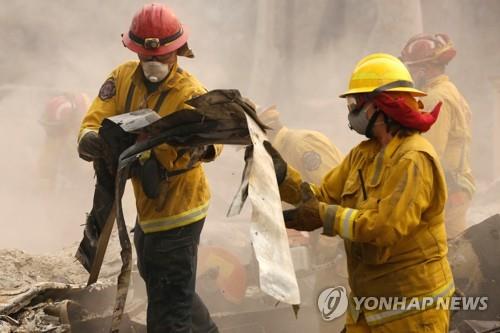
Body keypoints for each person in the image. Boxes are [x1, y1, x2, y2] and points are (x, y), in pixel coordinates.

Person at [264, 53, 454, 332]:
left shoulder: (413, 159)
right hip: (368, 308)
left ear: (381, 106)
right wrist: (282, 177)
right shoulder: (362, 155)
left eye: (355, 103)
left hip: (412, 313)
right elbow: (323, 197)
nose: (350, 111)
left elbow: (385, 227)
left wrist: (324, 216)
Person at [77, 4, 220, 332]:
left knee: (167, 313)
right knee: (165, 283)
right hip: (149, 210)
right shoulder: (121, 77)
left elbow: (214, 142)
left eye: (162, 57)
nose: (153, 64)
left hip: (180, 210)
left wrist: (188, 146)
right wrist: (89, 138)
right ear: (135, 50)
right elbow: (96, 116)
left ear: (178, 52)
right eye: (146, 56)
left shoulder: (191, 94)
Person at [259, 105, 346, 332]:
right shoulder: (276, 154)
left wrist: (330, 239)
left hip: (344, 243)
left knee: (336, 312)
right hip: (328, 243)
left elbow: (336, 193)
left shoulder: (302, 145)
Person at [400, 33, 474, 239]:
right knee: (456, 253)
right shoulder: (450, 90)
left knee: (436, 254)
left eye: (412, 68)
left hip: (445, 190)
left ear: (425, 69)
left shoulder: (434, 99)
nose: (410, 74)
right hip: (456, 185)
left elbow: (428, 153)